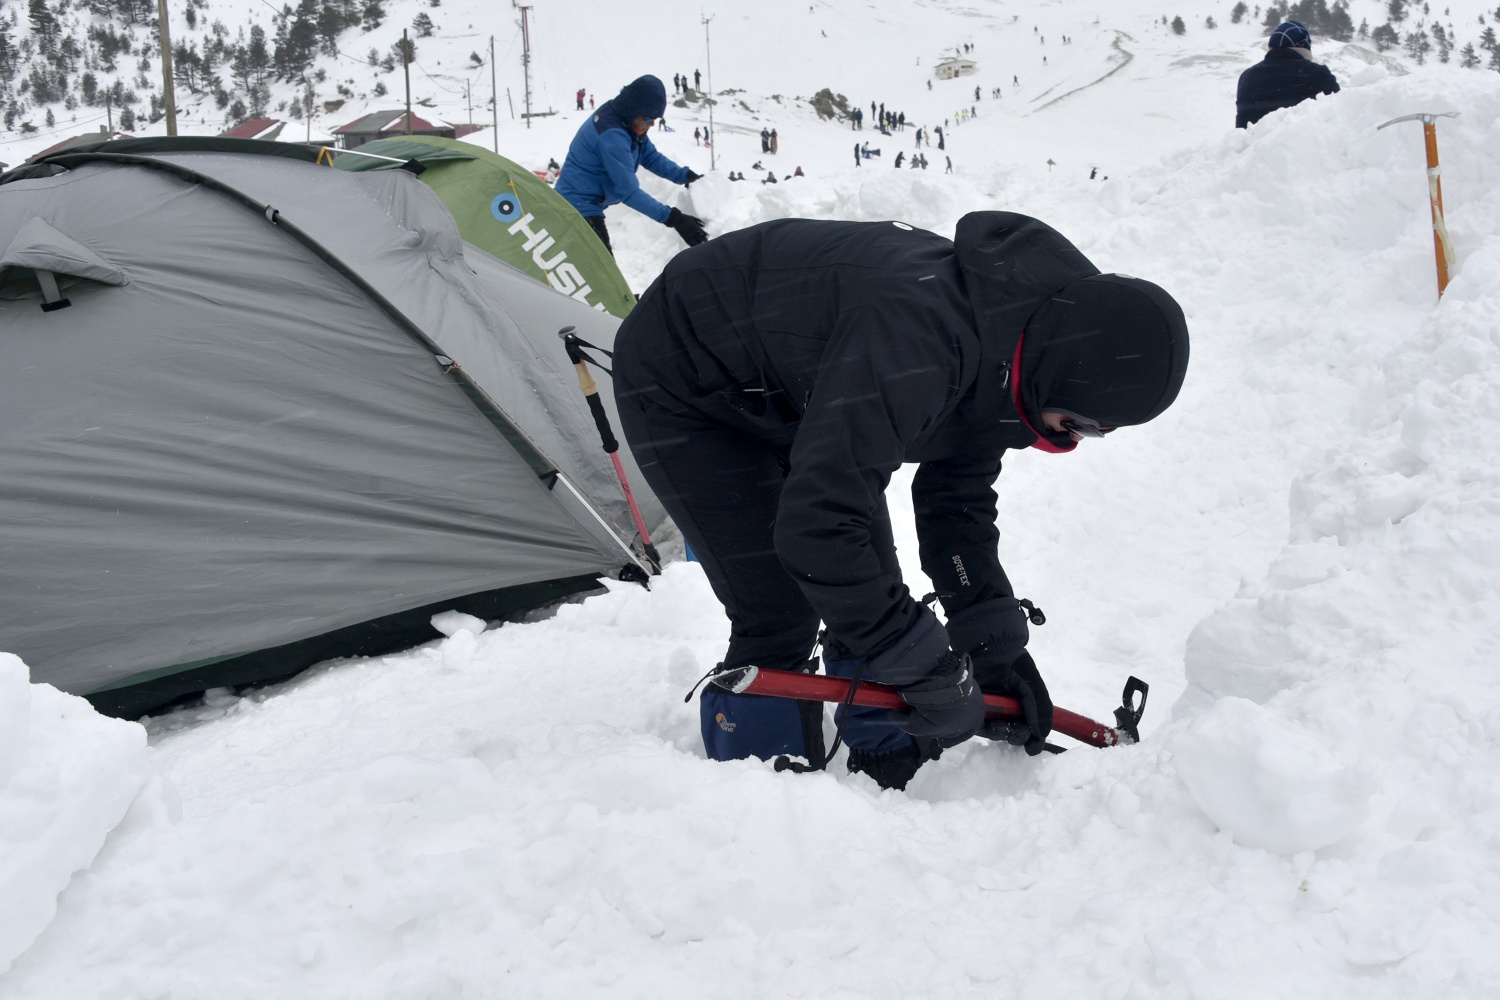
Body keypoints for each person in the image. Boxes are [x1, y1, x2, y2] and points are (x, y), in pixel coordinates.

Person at [613, 213, 1189, 790]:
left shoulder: (1023, 349)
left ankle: (885, 760)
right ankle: (753, 794)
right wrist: (925, 665)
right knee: (780, 610)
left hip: (800, 382)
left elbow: (956, 501)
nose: (1074, 441)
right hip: (686, 375)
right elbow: (819, 529)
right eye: (1083, 424)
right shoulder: (923, 339)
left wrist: (994, 648)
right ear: (1061, 371)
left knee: (869, 588)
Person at [556, 74, 708, 254]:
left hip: (584, 204)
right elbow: (628, 192)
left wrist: (686, 176)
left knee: (600, 268)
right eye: (649, 119)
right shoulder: (613, 136)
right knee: (600, 270)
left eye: (655, 120)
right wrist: (675, 219)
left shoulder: (626, 120)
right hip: (576, 208)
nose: (652, 124)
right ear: (636, 109)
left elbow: (650, 157)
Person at [1236, 20, 1340, 128]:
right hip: (1304, 138)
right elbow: (1339, 114)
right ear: (1304, 45)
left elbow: (1242, 125)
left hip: (1255, 139)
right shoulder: (1318, 74)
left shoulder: (1247, 76)